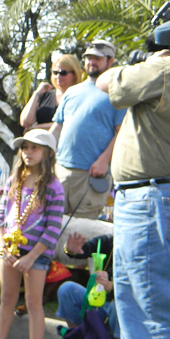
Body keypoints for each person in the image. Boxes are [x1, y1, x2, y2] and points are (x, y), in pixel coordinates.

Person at [79, 21, 170, 339]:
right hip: (156, 197)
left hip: (155, 198)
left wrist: (149, 61)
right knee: (131, 303)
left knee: (157, 309)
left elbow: (107, 82)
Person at [0, 129, 64, 339]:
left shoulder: (52, 187)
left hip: (35, 254)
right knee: (6, 299)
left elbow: (52, 229)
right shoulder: (14, 179)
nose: (28, 153)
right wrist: (3, 246)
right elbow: (0, 216)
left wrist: (31, 257)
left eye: (34, 148)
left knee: (33, 303)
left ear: (47, 153)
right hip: (10, 250)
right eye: (25, 148)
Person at [49, 39, 125, 219]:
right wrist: (42, 150)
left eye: (97, 59)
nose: (92, 62)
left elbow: (121, 133)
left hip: (91, 174)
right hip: (61, 170)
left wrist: (103, 161)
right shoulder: (72, 92)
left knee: (81, 234)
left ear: (110, 61)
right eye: (89, 58)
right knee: (51, 227)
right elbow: (57, 127)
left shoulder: (117, 94)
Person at [56, 232, 117, 339]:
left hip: (119, 311)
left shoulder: (144, 250)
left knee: (117, 306)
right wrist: (70, 250)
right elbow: (84, 250)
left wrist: (111, 287)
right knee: (67, 289)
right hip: (97, 302)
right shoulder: (109, 241)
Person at [20, 54, 83, 131]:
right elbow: (25, 122)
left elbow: (71, 123)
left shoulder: (80, 97)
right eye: (55, 72)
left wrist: (38, 127)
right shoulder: (45, 95)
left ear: (74, 74)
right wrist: (37, 93)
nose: (58, 76)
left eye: (63, 73)